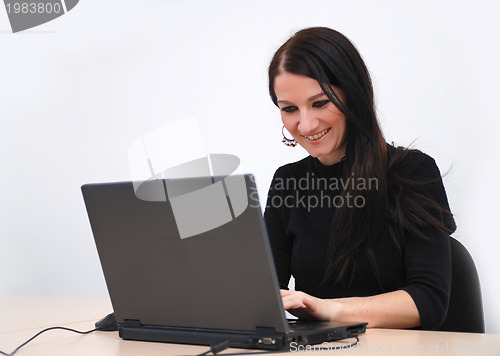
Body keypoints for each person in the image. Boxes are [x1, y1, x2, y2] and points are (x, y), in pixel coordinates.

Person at [264, 27, 456, 330]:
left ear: (352, 95)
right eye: (289, 109)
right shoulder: (288, 183)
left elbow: (429, 300)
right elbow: (263, 298)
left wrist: (329, 309)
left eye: (319, 103)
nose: (305, 124)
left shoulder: (413, 172)